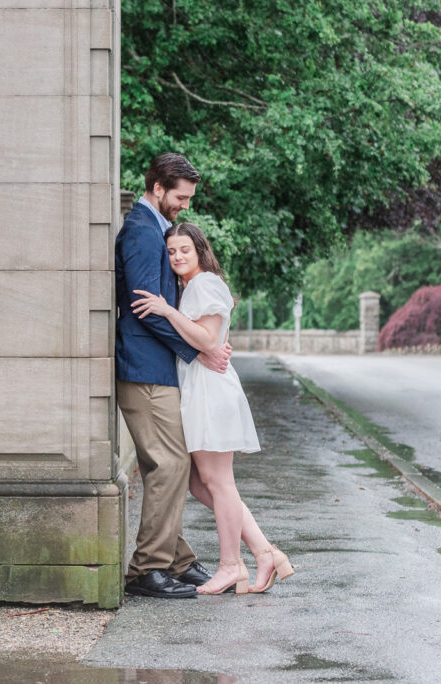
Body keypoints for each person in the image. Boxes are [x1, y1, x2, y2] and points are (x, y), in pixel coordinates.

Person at [131, 223, 294, 595]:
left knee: (218, 483)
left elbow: (206, 339)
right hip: (200, 387)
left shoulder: (204, 283)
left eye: (184, 249)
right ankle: (263, 551)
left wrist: (166, 312)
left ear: (200, 249)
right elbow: (210, 338)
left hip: (210, 391)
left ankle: (231, 566)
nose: (177, 257)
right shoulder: (194, 285)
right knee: (198, 481)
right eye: (171, 251)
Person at [115, 154, 231, 599]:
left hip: (156, 368)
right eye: (181, 197)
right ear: (158, 188)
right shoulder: (144, 233)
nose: (185, 206)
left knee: (167, 464)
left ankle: (177, 560)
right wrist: (196, 349)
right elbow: (147, 308)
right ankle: (147, 570)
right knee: (171, 464)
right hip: (145, 369)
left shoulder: (157, 230)